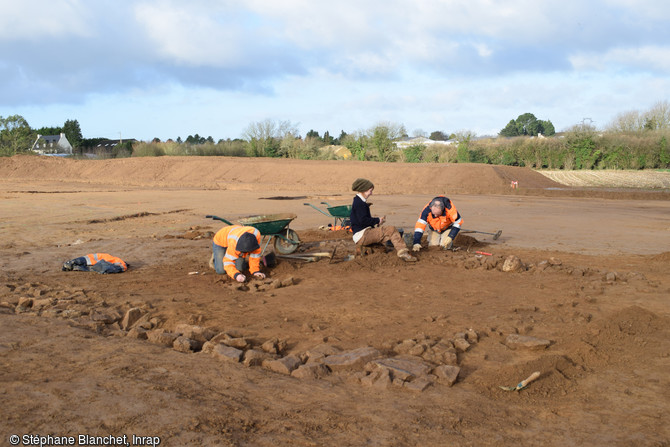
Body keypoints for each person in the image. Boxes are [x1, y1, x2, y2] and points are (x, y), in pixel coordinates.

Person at [349, 178, 417, 262]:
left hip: (361, 234)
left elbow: (362, 220)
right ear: (364, 190)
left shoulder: (359, 201)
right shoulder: (360, 204)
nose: (371, 193)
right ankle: (403, 253)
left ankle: (363, 252)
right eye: (370, 191)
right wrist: (377, 220)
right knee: (391, 230)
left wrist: (377, 221)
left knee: (382, 249)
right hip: (363, 235)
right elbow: (363, 220)